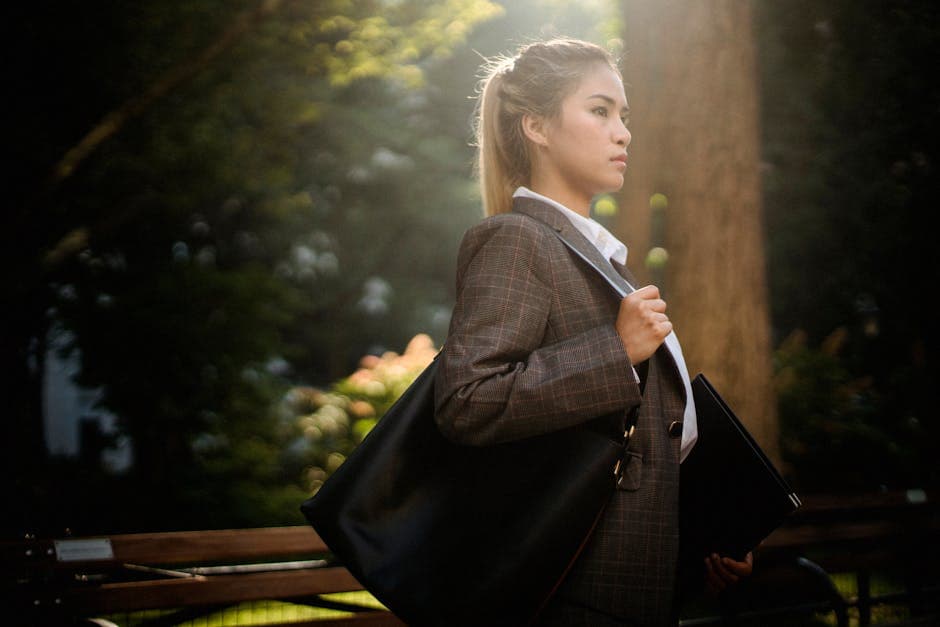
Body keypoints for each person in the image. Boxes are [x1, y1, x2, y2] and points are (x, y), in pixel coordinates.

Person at [434, 38, 753, 626]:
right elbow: (465, 401)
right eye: (600, 110)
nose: (623, 133)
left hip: (636, 590)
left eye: (624, 116)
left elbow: (641, 444)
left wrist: (708, 540)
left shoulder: (603, 262)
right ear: (537, 126)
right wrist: (615, 350)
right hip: (570, 598)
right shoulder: (517, 240)